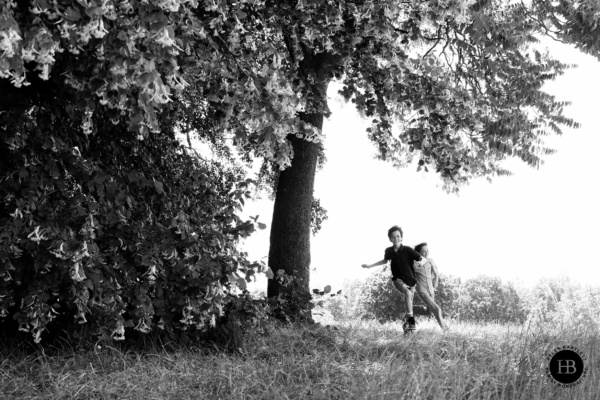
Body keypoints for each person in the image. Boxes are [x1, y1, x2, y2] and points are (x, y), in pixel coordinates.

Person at [362, 225, 422, 333]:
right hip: (398, 280)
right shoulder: (388, 251)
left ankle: (407, 325)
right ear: (390, 238)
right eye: (393, 237)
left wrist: (423, 264)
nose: (396, 239)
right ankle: (412, 320)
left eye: (398, 236)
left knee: (409, 305)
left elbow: (420, 259)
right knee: (408, 294)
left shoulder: (408, 250)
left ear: (401, 237)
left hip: (411, 281)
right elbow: (384, 261)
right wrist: (370, 266)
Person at [413, 242, 449, 330]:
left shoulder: (431, 261)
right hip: (421, 290)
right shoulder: (414, 263)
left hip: (431, 289)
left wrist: (436, 283)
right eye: (424, 252)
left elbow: (436, 273)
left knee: (429, 312)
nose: (426, 253)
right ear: (418, 253)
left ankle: (410, 308)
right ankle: (446, 330)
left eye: (427, 251)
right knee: (436, 309)